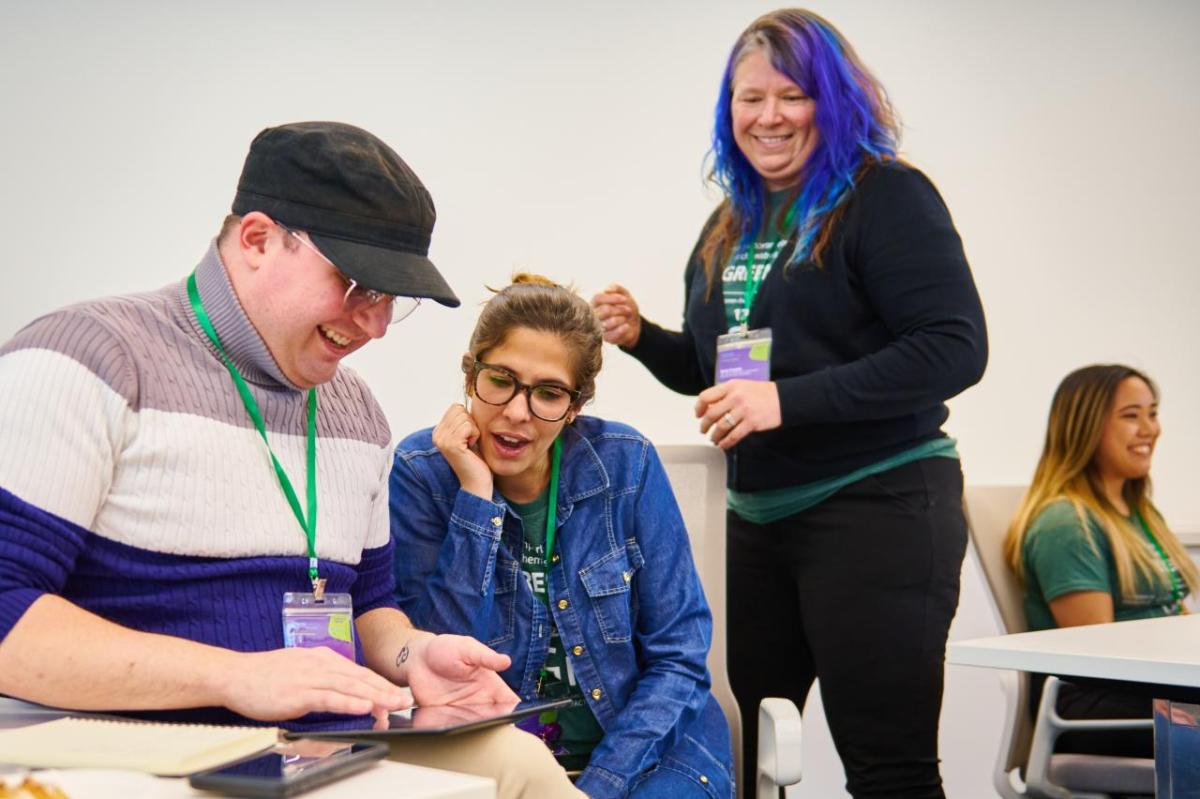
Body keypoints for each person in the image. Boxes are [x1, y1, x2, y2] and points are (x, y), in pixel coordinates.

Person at [0, 122, 580, 798]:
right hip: (139, 754)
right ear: (256, 239)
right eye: (358, 284)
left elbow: (370, 603)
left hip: (313, 748)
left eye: (394, 298)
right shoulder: (86, 358)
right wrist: (234, 675)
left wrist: (412, 654)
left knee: (522, 766)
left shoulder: (356, 412)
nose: (375, 324)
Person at [591, 9, 987, 798]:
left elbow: (953, 347)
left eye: (793, 95)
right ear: (726, 110)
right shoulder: (730, 223)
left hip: (878, 505)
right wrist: (646, 340)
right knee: (730, 752)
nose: (768, 116)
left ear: (834, 101)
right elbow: (720, 374)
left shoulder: (887, 196)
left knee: (887, 765)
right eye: (749, 98)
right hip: (757, 520)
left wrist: (786, 401)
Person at [390, 275, 733, 798]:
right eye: (501, 380)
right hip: (502, 758)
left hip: (651, 752)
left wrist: (598, 787)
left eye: (549, 393)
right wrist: (475, 499)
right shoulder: (423, 474)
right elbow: (438, 665)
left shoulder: (626, 463)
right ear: (470, 374)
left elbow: (678, 657)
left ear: (575, 406)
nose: (517, 411)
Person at [1005, 364, 1198, 758]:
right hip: (1097, 711)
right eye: (1131, 416)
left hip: (1153, 697)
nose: (1150, 429)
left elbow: (1174, 614)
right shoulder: (1066, 524)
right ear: (1086, 428)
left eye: (1153, 413)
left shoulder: (1140, 513)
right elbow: (1102, 660)